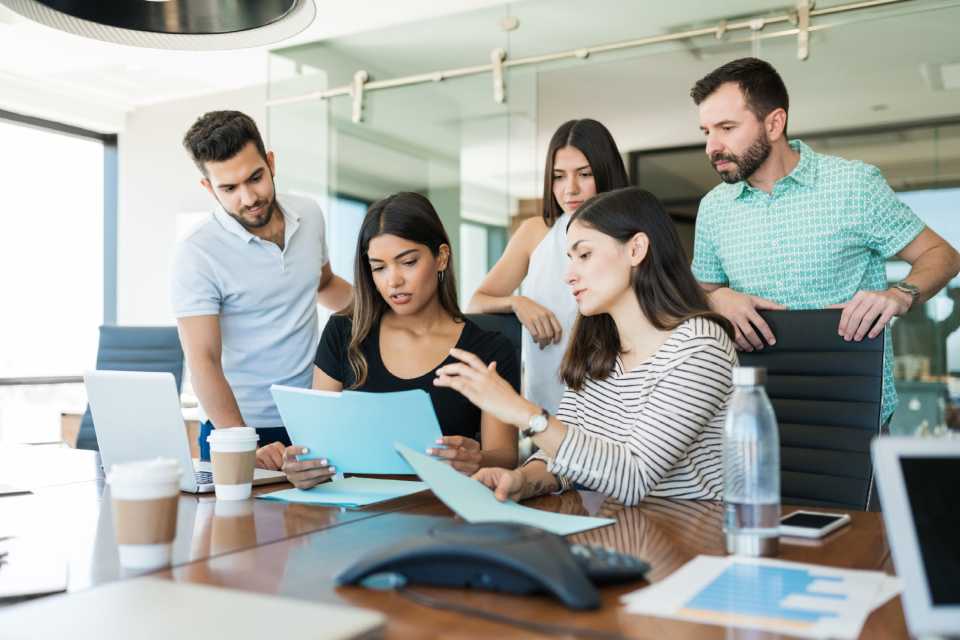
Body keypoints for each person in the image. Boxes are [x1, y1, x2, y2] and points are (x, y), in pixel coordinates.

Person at [689, 57, 960, 424]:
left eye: (726, 127)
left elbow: (941, 254)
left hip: (854, 404)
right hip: (753, 407)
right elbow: (699, 295)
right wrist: (716, 297)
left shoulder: (853, 185)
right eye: (707, 131)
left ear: (774, 123)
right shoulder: (713, 209)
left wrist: (900, 294)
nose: (712, 147)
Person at [435, 187, 737, 506]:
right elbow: (569, 454)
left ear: (636, 249)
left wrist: (521, 412)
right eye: (569, 259)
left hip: (695, 535)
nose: (568, 276)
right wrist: (523, 480)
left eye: (584, 255)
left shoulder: (700, 345)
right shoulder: (601, 350)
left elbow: (634, 476)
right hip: (623, 530)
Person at [281, 192, 520, 489]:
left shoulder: (488, 349)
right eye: (379, 267)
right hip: (357, 516)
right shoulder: (344, 332)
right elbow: (316, 443)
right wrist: (303, 466)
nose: (393, 281)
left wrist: (477, 459)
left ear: (441, 257)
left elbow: (506, 456)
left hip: (444, 512)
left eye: (407, 262)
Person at [172, 110, 352, 470]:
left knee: (317, 525)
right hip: (237, 426)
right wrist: (241, 441)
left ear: (270, 163)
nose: (249, 197)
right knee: (236, 527)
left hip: (310, 418)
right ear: (209, 188)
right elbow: (203, 360)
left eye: (255, 177)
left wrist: (390, 314)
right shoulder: (197, 251)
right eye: (229, 188)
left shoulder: (309, 214)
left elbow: (325, 284)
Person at [467, 119, 630, 415]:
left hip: (614, 402)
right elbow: (477, 303)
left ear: (606, 174)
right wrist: (517, 302)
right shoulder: (535, 232)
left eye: (585, 174)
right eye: (558, 176)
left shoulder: (630, 236)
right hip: (546, 403)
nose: (570, 189)